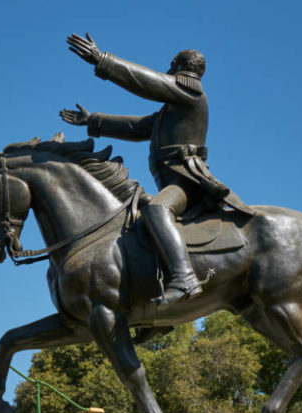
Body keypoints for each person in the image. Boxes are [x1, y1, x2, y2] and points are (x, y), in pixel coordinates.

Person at [59, 33, 250, 305]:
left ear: (177, 66)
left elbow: (150, 83)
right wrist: (95, 121)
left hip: (187, 183)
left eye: (170, 67)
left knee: (156, 209)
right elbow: (138, 127)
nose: (167, 71)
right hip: (174, 182)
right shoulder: (172, 109)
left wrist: (103, 60)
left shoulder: (190, 90)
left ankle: (184, 277)